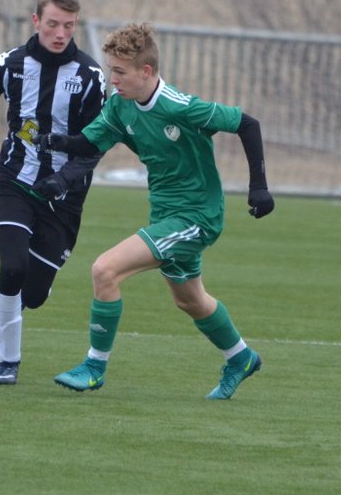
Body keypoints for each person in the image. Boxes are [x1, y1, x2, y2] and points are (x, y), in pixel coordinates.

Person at [35, 23, 274, 399]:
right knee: (190, 300)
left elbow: (247, 123)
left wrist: (258, 187)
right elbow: (88, 142)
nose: (112, 79)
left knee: (105, 269)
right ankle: (241, 357)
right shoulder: (120, 105)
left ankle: (94, 368)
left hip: (196, 217)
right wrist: (58, 141)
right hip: (164, 215)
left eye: (120, 72)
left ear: (146, 72)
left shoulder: (179, 107)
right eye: (111, 70)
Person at [0, 0, 106, 385]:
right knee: (12, 266)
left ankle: (37, 287)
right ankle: (8, 362)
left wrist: (62, 180)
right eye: (53, 24)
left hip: (64, 198)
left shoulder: (90, 77)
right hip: (13, 181)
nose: (60, 34)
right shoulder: (11, 65)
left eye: (68, 26)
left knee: (33, 295)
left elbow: (94, 147)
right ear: (36, 20)